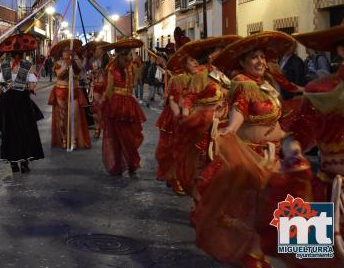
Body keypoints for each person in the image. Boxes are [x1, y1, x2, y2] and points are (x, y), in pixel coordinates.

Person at [195, 31, 312, 268]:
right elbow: (238, 113)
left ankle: (264, 253)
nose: (260, 62)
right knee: (257, 208)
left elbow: (277, 119)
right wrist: (229, 131)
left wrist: (292, 144)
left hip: (275, 154)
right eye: (254, 58)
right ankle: (254, 254)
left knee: (278, 205)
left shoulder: (267, 85)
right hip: (253, 156)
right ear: (242, 63)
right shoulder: (243, 85)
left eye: (262, 57)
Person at [287, 17, 344, 266]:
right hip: (330, 191)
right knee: (317, 260)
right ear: (343, 50)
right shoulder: (319, 91)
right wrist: (293, 159)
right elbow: (296, 137)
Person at [175, 35, 241, 196]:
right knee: (203, 164)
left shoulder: (221, 73)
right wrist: (187, 117)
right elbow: (189, 98)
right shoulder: (201, 74)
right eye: (220, 50)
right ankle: (200, 204)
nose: (223, 53)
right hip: (205, 126)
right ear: (211, 54)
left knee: (220, 166)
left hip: (223, 125)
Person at [0, 34, 44, 173]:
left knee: (9, 131)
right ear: (23, 53)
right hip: (22, 102)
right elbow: (32, 88)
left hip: (7, 101)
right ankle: (24, 164)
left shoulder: (4, 65)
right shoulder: (28, 66)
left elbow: (0, 86)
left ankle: (13, 163)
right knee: (24, 131)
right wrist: (32, 81)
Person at [154, 42, 198, 195]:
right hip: (176, 116)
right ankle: (174, 177)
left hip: (194, 117)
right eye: (192, 60)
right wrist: (180, 117)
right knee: (174, 148)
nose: (196, 63)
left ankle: (186, 176)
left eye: (197, 60)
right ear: (185, 62)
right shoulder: (179, 78)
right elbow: (173, 99)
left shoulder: (202, 77)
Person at [100, 39, 146, 176]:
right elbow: (135, 84)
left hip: (115, 103)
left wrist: (102, 101)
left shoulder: (111, 67)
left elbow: (109, 89)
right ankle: (132, 163)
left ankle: (118, 164)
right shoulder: (132, 66)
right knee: (128, 136)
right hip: (129, 102)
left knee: (115, 136)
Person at [48, 39, 91, 150]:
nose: (67, 52)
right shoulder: (58, 63)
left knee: (75, 115)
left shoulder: (75, 61)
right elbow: (59, 74)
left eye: (69, 50)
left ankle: (74, 139)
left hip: (75, 90)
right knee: (62, 118)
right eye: (65, 51)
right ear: (61, 53)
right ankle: (64, 138)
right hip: (61, 91)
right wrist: (66, 65)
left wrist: (75, 56)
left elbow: (81, 68)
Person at [84, 41, 110, 139]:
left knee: (104, 109)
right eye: (96, 49)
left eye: (98, 49)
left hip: (105, 86)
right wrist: (91, 73)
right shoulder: (92, 61)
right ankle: (97, 127)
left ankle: (104, 128)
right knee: (95, 109)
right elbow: (86, 69)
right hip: (95, 86)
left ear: (103, 50)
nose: (96, 50)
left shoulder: (108, 61)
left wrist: (102, 71)